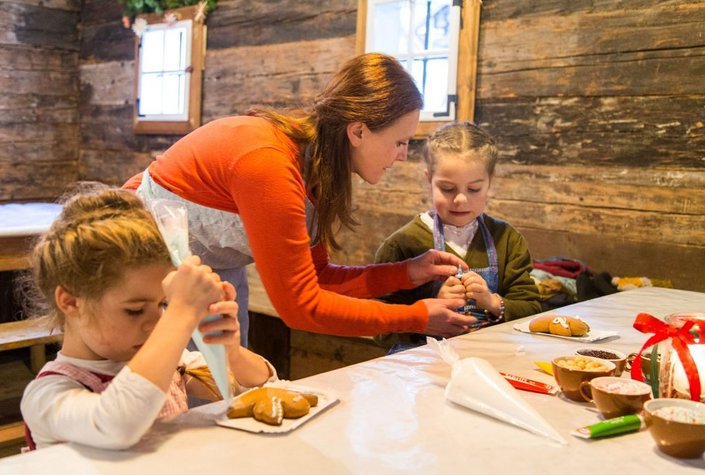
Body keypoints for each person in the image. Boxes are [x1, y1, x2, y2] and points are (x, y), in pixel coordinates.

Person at [123, 52, 475, 343]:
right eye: (400, 142)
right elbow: (300, 307)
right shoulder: (270, 166)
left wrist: (406, 273)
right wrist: (416, 317)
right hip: (140, 257)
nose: (402, 156)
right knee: (167, 399)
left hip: (210, 267)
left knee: (220, 389)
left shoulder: (317, 168)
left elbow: (316, 278)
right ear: (358, 131)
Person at [20, 187, 275, 450]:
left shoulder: (176, 363)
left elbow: (261, 388)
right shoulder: (47, 395)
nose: (156, 323)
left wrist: (230, 350)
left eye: (163, 304)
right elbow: (118, 424)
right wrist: (181, 311)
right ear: (71, 302)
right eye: (135, 310)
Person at [374, 121, 541, 351]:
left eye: (473, 189)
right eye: (447, 189)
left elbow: (532, 309)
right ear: (428, 179)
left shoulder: (507, 240)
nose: (461, 200)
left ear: (489, 182)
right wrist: (423, 314)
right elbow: (379, 325)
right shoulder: (402, 245)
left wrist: (493, 302)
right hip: (419, 371)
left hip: (488, 361)